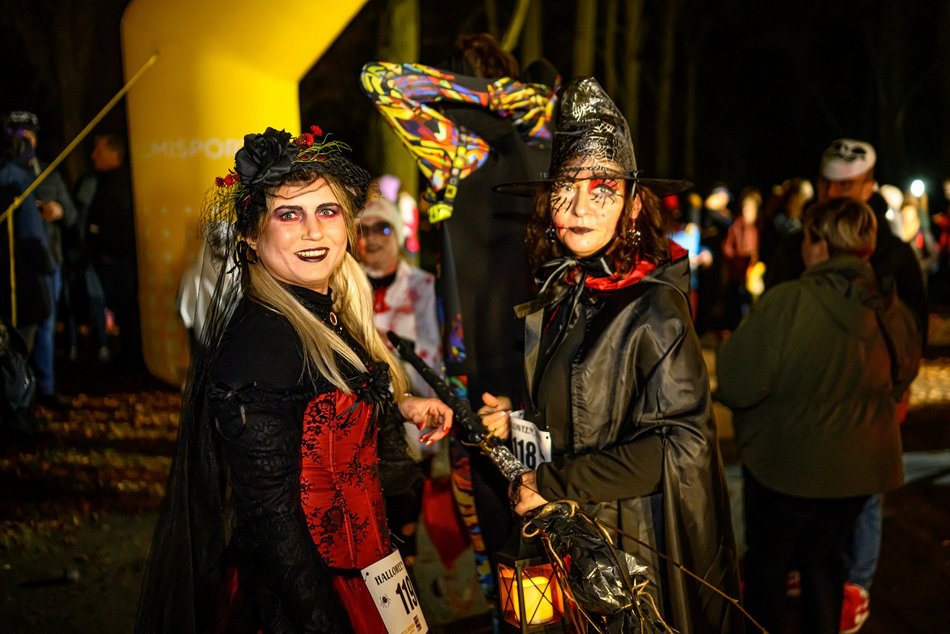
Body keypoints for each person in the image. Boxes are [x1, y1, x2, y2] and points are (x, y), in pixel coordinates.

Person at [135, 126, 453, 633]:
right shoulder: (258, 345)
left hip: (368, 570)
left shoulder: (323, 312)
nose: (313, 231)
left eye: (327, 211)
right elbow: (272, 519)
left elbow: (321, 406)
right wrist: (323, 621)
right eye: (289, 214)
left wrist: (400, 405)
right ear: (251, 236)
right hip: (304, 592)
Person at [481, 77, 743, 632]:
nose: (579, 206)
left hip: (629, 562)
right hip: (569, 547)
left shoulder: (656, 309)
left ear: (632, 205)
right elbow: (581, 413)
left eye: (601, 188)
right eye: (565, 187)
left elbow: (680, 446)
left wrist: (551, 484)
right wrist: (518, 418)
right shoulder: (562, 292)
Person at [361, 34, 559, 592]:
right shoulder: (543, 139)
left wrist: (469, 97)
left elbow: (379, 78)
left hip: (489, 386)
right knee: (546, 522)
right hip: (544, 371)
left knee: (506, 536)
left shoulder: (462, 148)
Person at [717, 197, 921, 633]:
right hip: (857, 475)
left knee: (768, 569)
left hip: (781, 468)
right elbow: (905, 370)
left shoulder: (787, 303)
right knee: (825, 563)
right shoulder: (888, 306)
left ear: (820, 244)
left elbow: (736, 383)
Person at [762, 138, 927, 632]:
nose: (837, 192)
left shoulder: (892, 252)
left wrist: (899, 387)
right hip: (803, 399)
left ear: (869, 187)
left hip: (867, 397)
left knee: (865, 490)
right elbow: (770, 315)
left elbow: (911, 326)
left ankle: (855, 582)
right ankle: (818, 569)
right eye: (830, 183)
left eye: (848, 185)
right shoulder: (793, 246)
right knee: (810, 485)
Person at [355, 188, 443, 569]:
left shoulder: (426, 287)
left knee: (405, 522)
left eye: (383, 228)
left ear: (398, 234)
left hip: (411, 429)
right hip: (360, 426)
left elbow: (435, 356)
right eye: (364, 229)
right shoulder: (343, 289)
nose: (373, 238)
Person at [4, 111, 78, 409]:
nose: (23, 142)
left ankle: (44, 388)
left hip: (48, 262)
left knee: (45, 326)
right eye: (17, 136)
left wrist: (58, 210)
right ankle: (16, 390)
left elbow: (71, 215)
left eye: (28, 136)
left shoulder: (50, 173)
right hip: (12, 265)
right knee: (15, 328)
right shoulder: (6, 173)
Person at [84, 133, 141, 369]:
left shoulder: (121, 184)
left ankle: (133, 357)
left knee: (127, 308)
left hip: (119, 259)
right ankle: (128, 353)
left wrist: (111, 249)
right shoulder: (104, 181)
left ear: (114, 153)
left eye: (99, 151)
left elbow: (121, 222)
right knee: (119, 308)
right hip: (110, 258)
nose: (93, 156)